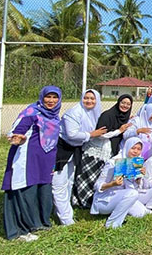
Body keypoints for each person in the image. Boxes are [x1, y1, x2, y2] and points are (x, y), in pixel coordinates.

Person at [2, 86, 62, 241]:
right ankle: (21, 229)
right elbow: (16, 131)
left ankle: (39, 222)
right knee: (26, 191)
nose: (51, 101)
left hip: (46, 159)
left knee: (43, 191)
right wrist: (18, 139)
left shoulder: (55, 116)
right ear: (42, 97)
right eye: (48, 97)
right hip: (28, 159)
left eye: (55, 97)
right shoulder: (31, 112)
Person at [53, 89, 104, 226]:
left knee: (69, 181)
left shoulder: (93, 113)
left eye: (92, 99)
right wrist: (92, 134)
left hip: (74, 150)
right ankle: (65, 219)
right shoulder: (74, 112)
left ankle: (65, 212)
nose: (89, 101)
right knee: (59, 184)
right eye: (86, 98)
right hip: (62, 149)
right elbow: (72, 134)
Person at [74, 95, 133, 209]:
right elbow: (100, 135)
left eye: (128, 104)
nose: (125, 106)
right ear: (118, 102)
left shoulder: (125, 118)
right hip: (96, 151)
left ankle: (94, 201)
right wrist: (118, 131)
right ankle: (81, 203)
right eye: (123, 102)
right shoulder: (108, 115)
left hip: (108, 153)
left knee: (100, 178)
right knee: (87, 178)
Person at [90, 138, 150, 228]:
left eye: (138, 149)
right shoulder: (113, 163)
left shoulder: (136, 163)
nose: (136, 152)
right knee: (132, 194)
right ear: (127, 147)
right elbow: (97, 185)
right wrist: (112, 184)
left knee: (143, 213)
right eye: (133, 148)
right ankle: (112, 224)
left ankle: (121, 211)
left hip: (125, 196)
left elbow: (134, 186)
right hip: (105, 200)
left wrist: (139, 177)